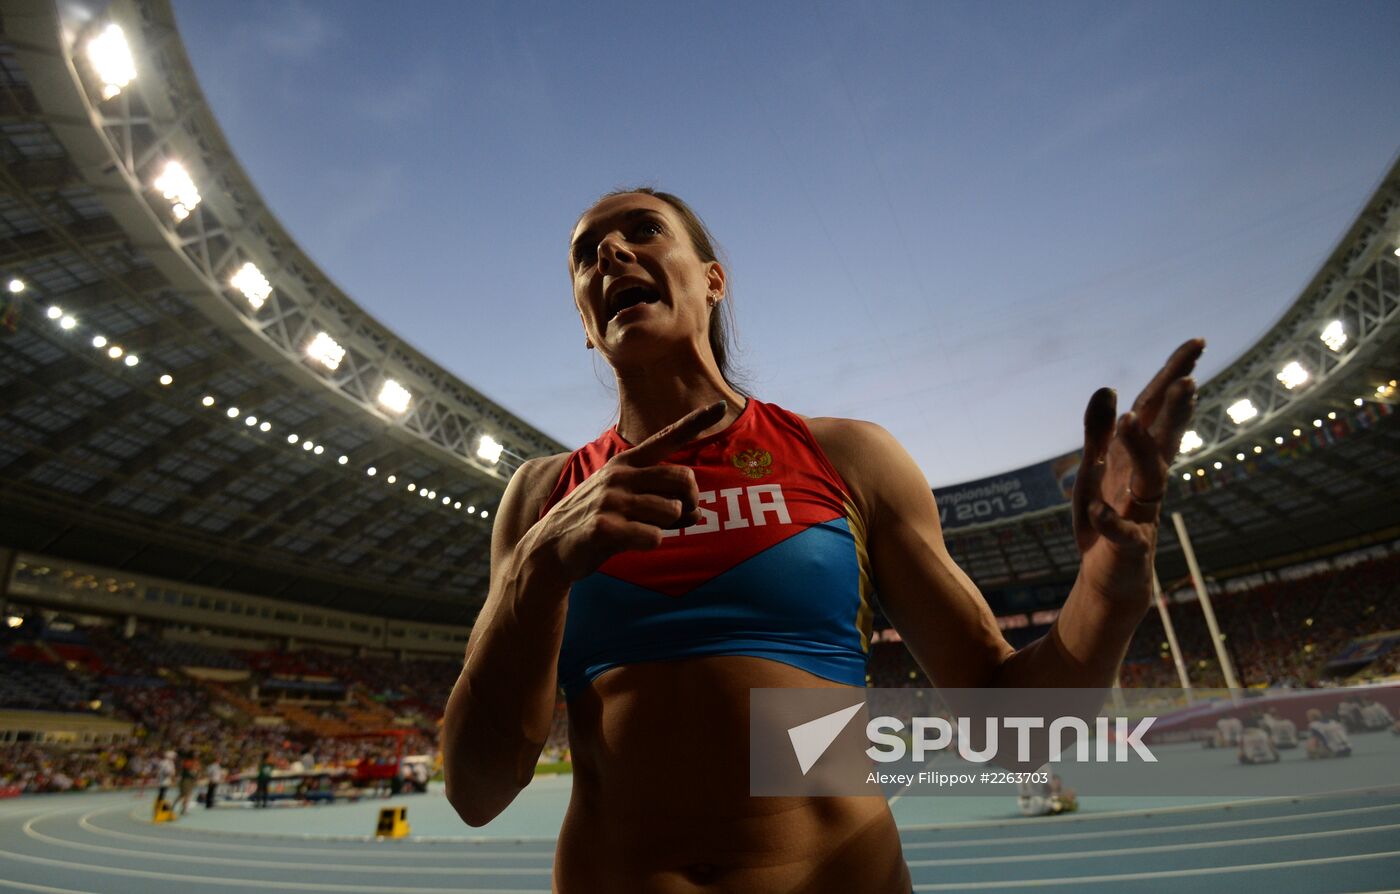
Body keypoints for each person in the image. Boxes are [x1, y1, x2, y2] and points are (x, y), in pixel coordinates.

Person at [442, 188, 1202, 891]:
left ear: (713, 281)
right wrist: (535, 570)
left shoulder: (848, 457)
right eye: (586, 253)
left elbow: (1014, 735)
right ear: (584, 322)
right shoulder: (541, 499)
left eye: (642, 231)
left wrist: (1106, 592)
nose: (609, 254)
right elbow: (477, 792)